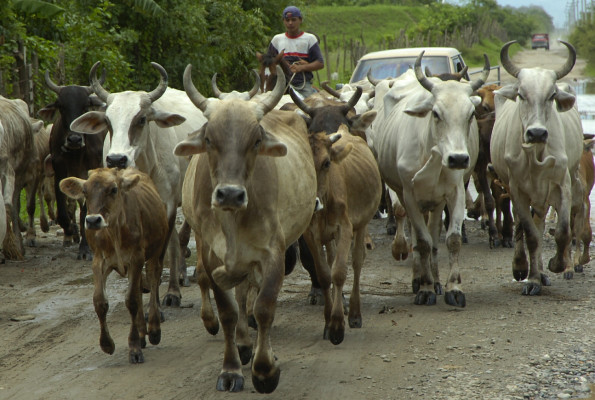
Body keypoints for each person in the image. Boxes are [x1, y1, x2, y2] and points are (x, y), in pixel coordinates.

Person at [267, 5, 324, 98]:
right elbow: (268, 63)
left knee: (311, 106)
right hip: (279, 86)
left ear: (300, 20)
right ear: (283, 21)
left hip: (302, 85)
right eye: (287, 20)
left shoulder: (310, 39)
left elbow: (320, 63)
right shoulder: (277, 40)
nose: (290, 23)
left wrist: (302, 68)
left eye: (293, 20)